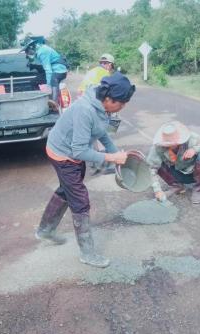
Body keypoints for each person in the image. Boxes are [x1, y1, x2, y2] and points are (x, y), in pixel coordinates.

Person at [35, 72, 136, 268]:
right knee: (79, 199)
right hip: (62, 153)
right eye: (121, 103)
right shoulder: (85, 110)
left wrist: (116, 156)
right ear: (108, 99)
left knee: (68, 188)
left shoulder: (103, 109)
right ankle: (87, 253)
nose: (122, 107)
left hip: (71, 152)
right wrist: (110, 157)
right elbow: (79, 151)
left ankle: (45, 230)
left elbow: (103, 134)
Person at [146, 121, 200, 204]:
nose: (170, 145)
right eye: (167, 143)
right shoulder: (158, 147)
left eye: (173, 143)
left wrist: (195, 150)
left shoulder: (191, 138)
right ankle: (177, 186)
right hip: (175, 173)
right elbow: (151, 168)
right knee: (155, 161)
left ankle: (197, 189)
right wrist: (157, 191)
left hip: (193, 174)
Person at [21, 36, 68, 103]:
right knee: (33, 82)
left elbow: (48, 70)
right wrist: (31, 61)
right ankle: (39, 100)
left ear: (31, 47)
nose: (26, 53)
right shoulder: (38, 51)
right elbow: (43, 67)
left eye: (26, 51)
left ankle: (54, 103)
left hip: (60, 70)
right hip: (53, 69)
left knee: (53, 79)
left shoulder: (43, 51)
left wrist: (48, 86)